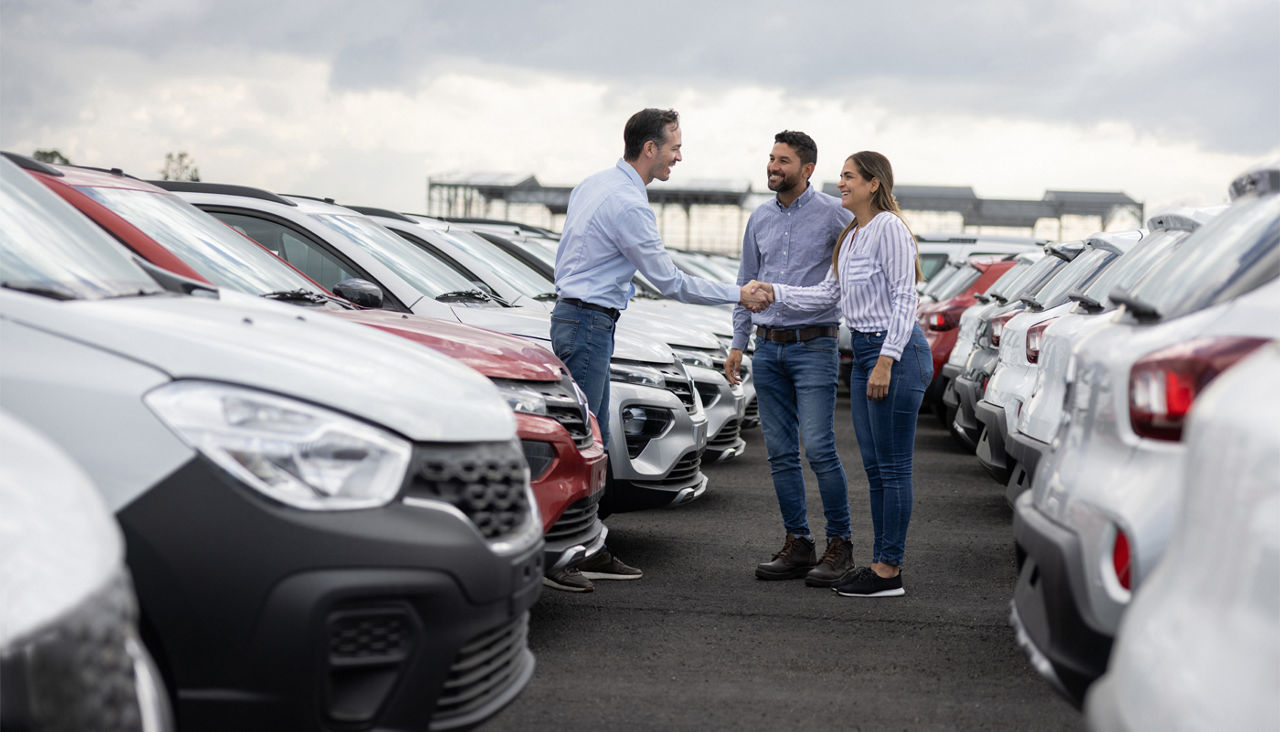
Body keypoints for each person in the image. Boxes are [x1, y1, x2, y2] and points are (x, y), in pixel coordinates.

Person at [549, 107, 771, 591]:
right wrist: (740, 292)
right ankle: (564, 555)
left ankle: (588, 546)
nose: (679, 156)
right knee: (584, 445)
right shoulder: (629, 204)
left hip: (579, 318)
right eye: (674, 146)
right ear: (649, 149)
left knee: (594, 442)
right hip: (588, 323)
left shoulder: (592, 184)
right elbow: (669, 281)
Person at [750, 151, 931, 598]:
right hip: (867, 351)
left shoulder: (888, 228)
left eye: (849, 177)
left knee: (893, 469)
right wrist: (774, 292)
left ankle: (889, 570)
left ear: (873, 183)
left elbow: (906, 298)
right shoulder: (851, 236)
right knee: (874, 468)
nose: (841, 183)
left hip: (895, 350)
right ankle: (878, 563)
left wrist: (887, 360)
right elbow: (825, 295)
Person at [726, 131, 855, 588]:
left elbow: (850, 276)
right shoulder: (759, 218)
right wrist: (739, 342)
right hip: (768, 348)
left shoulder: (835, 215)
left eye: (784, 160)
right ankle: (799, 543)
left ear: (807, 170)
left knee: (819, 448)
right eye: (771, 158)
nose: (773, 166)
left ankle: (840, 545)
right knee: (780, 454)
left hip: (815, 346)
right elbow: (746, 281)